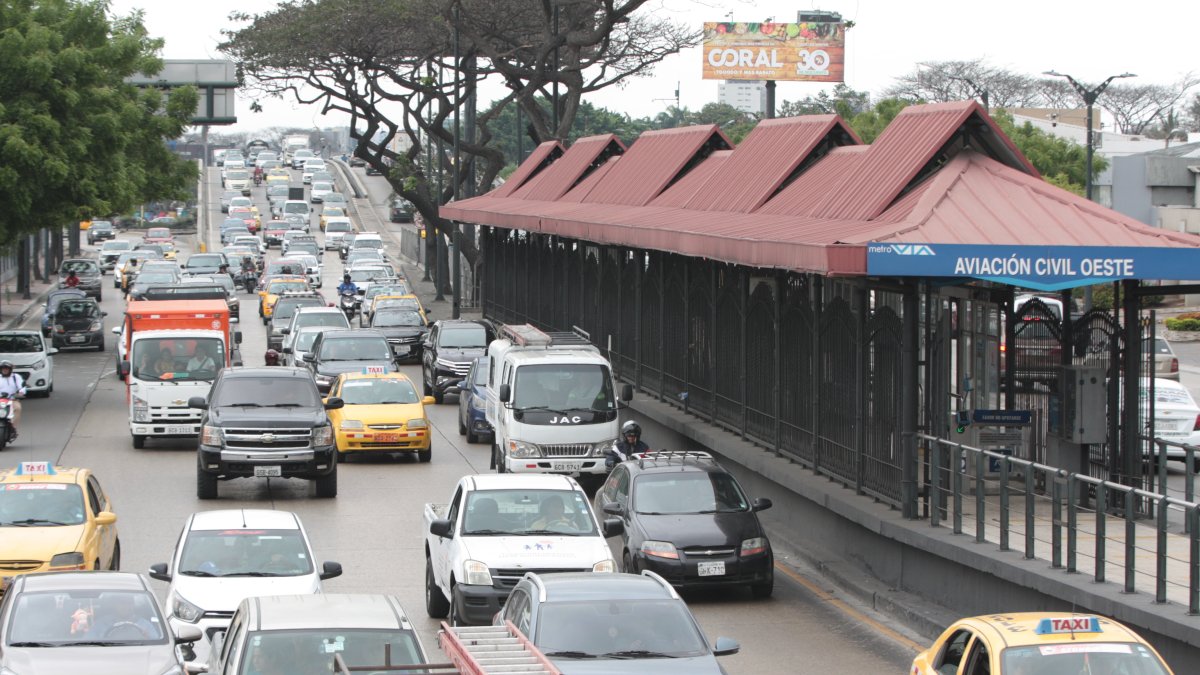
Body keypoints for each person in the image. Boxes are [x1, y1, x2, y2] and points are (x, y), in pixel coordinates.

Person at [0, 361, 26, 438]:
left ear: (10, 369)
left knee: (18, 408)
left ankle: (13, 427)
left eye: (7, 368)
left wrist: (21, 393)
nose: (5, 370)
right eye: (3, 368)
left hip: (12, 399)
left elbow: (22, 387)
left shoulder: (16, 377)